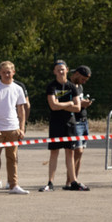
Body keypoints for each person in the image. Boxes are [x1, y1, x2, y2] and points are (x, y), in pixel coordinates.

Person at [0, 61, 30, 194]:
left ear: (13, 72)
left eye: (9, 72)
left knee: (12, 157)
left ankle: (13, 185)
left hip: (13, 128)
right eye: (4, 72)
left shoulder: (18, 88)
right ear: (0, 73)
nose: (6, 75)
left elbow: (21, 109)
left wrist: (21, 128)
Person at [41, 60, 82, 192]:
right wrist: (69, 104)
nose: (60, 71)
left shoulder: (72, 86)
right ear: (54, 71)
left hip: (70, 123)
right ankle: (50, 182)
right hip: (55, 123)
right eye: (58, 69)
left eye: (62, 69)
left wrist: (64, 105)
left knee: (70, 152)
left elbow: (77, 108)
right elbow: (53, 105)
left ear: (67, 70)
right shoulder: (52, 86)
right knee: (54, 153)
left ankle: (73, 181)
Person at [67, 64, 94, 189]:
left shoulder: (80, 86)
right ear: (76, 74)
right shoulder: (68, 85)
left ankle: (75, 179)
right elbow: (64, 101)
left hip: (84, 121)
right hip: (75, 121)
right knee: (77, 151)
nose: (84, 82)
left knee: (80, 152)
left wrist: (86, 103)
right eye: (83, 79)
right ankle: (70, 181)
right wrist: (79, 103)